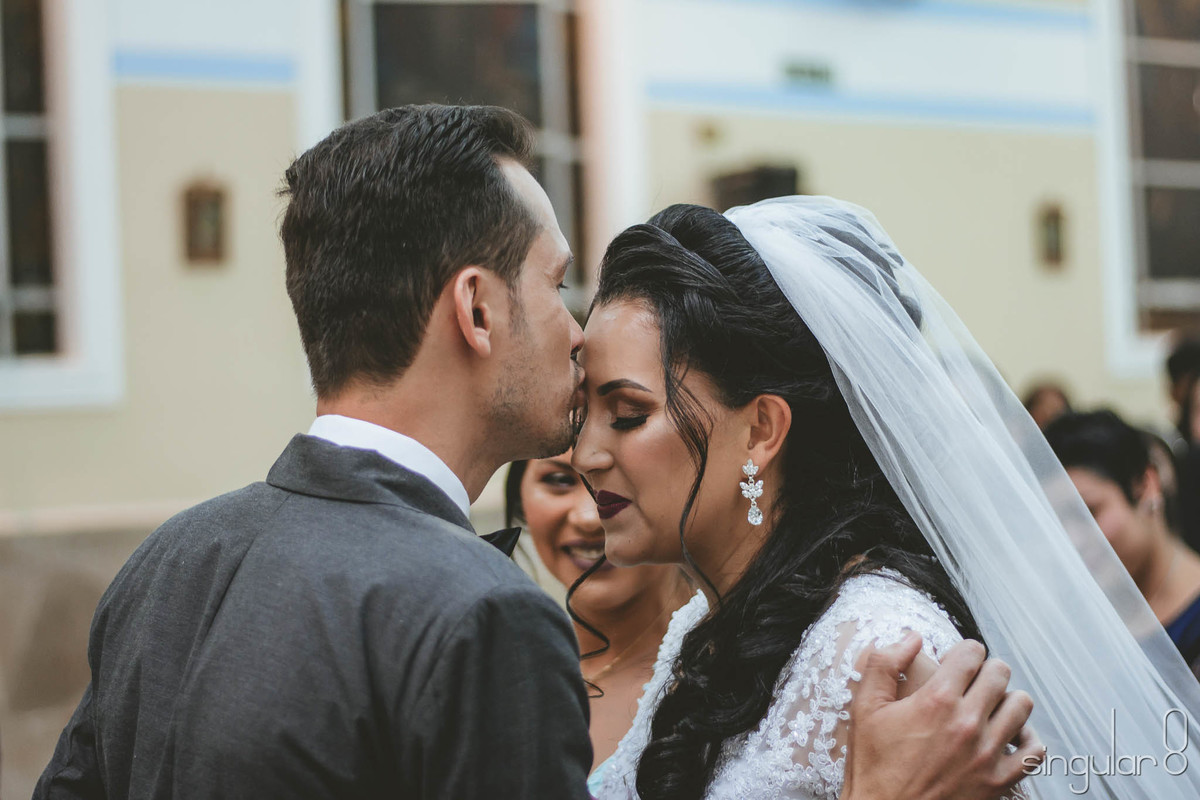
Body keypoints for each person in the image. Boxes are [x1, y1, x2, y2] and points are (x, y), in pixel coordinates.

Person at [36, 105, 1036, 800]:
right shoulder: (483, 612)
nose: (571, 330)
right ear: (475, 306)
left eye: (628, 409)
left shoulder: (168, 559)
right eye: (554, 284)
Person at [572, 197, 1200, 799]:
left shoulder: (880, 646)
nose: (586, 454)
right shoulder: (704, 619)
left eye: (627, 414)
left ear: (761, 430)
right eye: (585, 413)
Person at [506, 455, 694, 791]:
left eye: (620, 482)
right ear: (519, 497)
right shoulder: (493, 671)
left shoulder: (742, 662)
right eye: (560, 481)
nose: (589, 517)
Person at [1045, 410, 1200, 674]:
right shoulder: (1080, 624)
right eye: (1056, 523)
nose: (1073, 540)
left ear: (1147, 486)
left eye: (1087, 512)